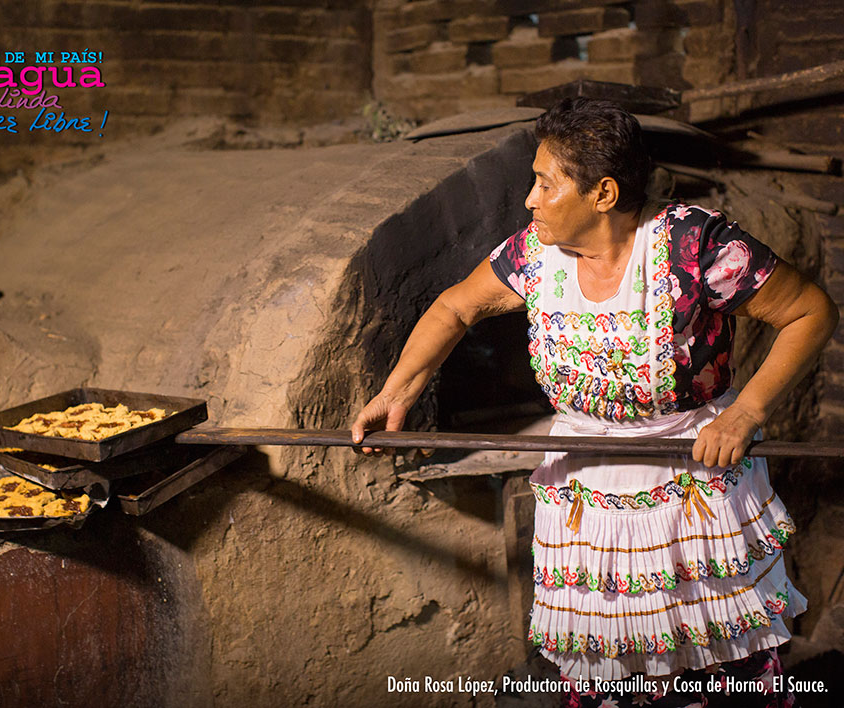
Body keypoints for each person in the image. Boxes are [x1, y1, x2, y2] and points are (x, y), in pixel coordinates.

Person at [351, 98, 838, 707]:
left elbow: (810, 311)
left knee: (711, 668)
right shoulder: (535, 254)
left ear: (603, 193)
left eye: (545, 183)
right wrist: (397, 390)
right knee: (606, 668)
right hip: (588, 491)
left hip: (694, 483)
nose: (529, 199)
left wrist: (748, 412)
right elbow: (457, 306)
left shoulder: (694, 246)